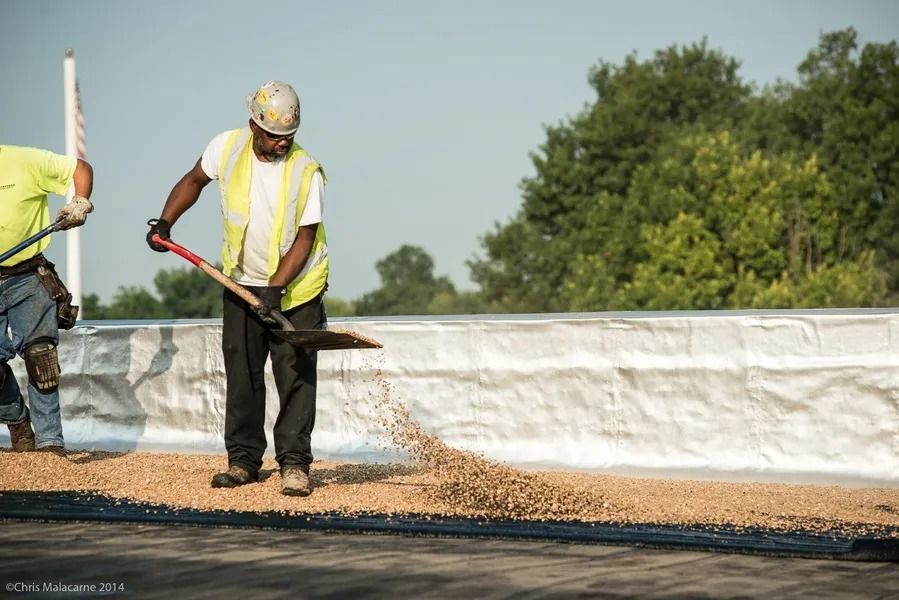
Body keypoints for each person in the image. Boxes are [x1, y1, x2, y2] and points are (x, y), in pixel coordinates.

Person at [146, 81, 328, 497]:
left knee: (295, 376)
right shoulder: (226, 148)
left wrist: (276, 289)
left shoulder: (307, 172)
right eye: (273, 136)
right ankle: (243, 461)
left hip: (296, 291)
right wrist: (165, 222)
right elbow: (193, 180)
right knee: (242, 375)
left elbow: (304, 239)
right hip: (240, 283)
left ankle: (295, 465)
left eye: (289, 137)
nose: (282, 144)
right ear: (253, 126)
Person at [0, 145, 94, 456]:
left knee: (41, 356)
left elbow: (80, 168)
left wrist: (79, 201)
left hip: (26, 275)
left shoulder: (23, 161)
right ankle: (17, 421)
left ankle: (50, 441)